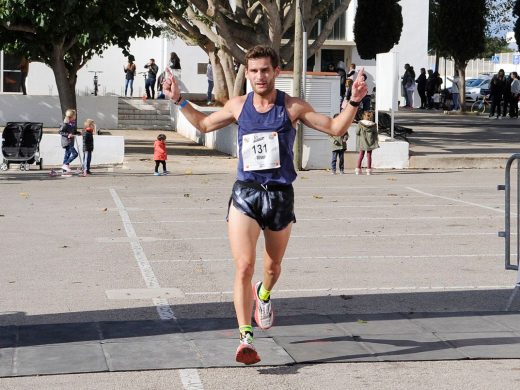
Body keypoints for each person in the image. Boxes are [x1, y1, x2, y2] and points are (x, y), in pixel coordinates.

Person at [162, 45, 367, 365]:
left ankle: (264, 295)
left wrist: (354, 100)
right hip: (246, 194)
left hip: (280, 195)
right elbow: (203, 125)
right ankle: (246, 337)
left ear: (276, 72)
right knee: (243, 265)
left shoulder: (292, 107)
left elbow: (335, 128)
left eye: (265, 70)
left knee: (271, 268)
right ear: (247, 72)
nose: (259, 76)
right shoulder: (238, 105)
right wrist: (178, 99)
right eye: (254, 70)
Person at [355, 110, 378, 176]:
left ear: (364, 116)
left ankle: (358, 169)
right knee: (369, 156)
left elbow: (357, 132)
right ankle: (369, 170)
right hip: (370, 142)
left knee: (361, 155)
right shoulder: (374, 124)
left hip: (362, 141)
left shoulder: (360, 123)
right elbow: (375, 134)